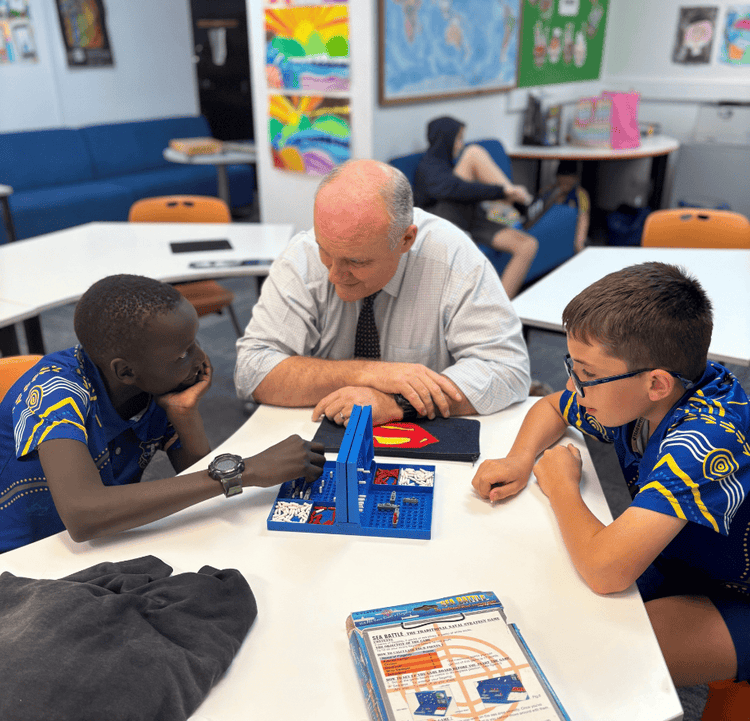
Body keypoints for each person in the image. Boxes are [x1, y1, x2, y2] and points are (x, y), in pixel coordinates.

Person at [472, 263, 750, 708]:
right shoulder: (646, 389)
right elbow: (551, 405)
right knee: (552, 611)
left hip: (737, 593)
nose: (572, 384)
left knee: (584, 657)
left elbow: (606, 570)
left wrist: (562, 485)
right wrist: (520, 459)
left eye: (585, 372)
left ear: (656, 383)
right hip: (686, 559)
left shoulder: (701, 440)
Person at [0, 274, 325, 553]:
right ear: (125, 371)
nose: (200, 359)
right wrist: (246, 470)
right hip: (22, 557)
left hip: (104, 543)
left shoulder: (155, 387)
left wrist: (184, 414)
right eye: (183, 353)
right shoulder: (56, 391)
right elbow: (84, 515)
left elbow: (198, 480)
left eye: (195, 341)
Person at [235, 159, 531, 427]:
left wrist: (397, 403)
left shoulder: (453, 257)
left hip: (423, 437)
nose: (334, 274)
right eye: (325, 250)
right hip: (315, 436)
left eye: (356, 261)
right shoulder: (302, 256)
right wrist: (368, 373)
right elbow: (252, 371)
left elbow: (508, 370)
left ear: (406, 239)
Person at [413, 116, 538, 299]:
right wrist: (503, 191)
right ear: (445, 139)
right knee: (473, 153)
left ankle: (500, 311)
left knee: (528, 245)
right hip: (446, 224)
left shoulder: (449, 167)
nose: (460, 145)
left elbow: (464, 191)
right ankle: (518, 204)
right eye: (458, 139)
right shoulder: (427, 168)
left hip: (471, 219)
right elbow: (456, 189)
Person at [535, 159, 590, 253]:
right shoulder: (547, 191)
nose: (565, 186)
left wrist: (579, 244)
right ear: (557, 177)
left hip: (570, 235)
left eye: (568, 183)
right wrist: (555, 194)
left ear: (576, 179)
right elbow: (536, 213)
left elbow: (583, 217)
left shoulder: (581, 194)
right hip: (547, 233)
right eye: (562, 183)